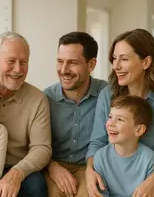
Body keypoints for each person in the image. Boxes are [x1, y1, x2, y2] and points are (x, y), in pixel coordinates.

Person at [85, 28, 154, 197]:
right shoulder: (107, 94)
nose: (116, 66)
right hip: (114, 179)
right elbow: (97, 143)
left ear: (146, 62)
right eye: (114, 59)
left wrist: (152, 182)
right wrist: (89, 171)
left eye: (124, 59)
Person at [43, 31, 107, 197]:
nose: (64, 70)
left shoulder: (107, 94)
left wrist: (92, 169)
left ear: (91, 64)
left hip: (91, 167)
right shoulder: (44, 99)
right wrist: (52, 167)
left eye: (72, 63)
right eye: (60, 62)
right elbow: (33, 144)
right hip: (52, 166)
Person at [0, 31, 52, 197]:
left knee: (36, 184)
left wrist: (17, 173)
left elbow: (42, 148)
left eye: (23, 62)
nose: (18, 69)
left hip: (20, 166)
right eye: (11, 61)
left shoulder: (38, 99)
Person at [93, 95, 154, 197]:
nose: (110, 124)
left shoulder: (149, 160)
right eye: (110, 117)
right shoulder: (100, 157)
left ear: (139, 130)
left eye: (120, 119)